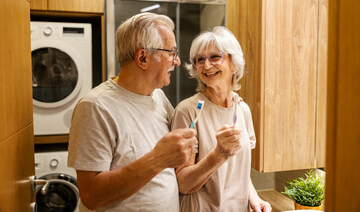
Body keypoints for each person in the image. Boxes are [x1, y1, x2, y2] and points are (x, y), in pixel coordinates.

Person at [68, 12, 197, 212]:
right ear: (143, 57)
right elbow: (91, 195)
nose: (177, 61)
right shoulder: (95, 107)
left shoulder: (158, 97)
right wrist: (158, 159)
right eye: (171, 53)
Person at [171, 26, 272, 212]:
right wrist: (219, 154)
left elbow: (238, 169)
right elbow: (183, 183)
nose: (206, 66)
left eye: (215, 57)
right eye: (199, 60)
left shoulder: (242, 109)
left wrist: (254, 198)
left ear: (234, 63)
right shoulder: (188, 111)